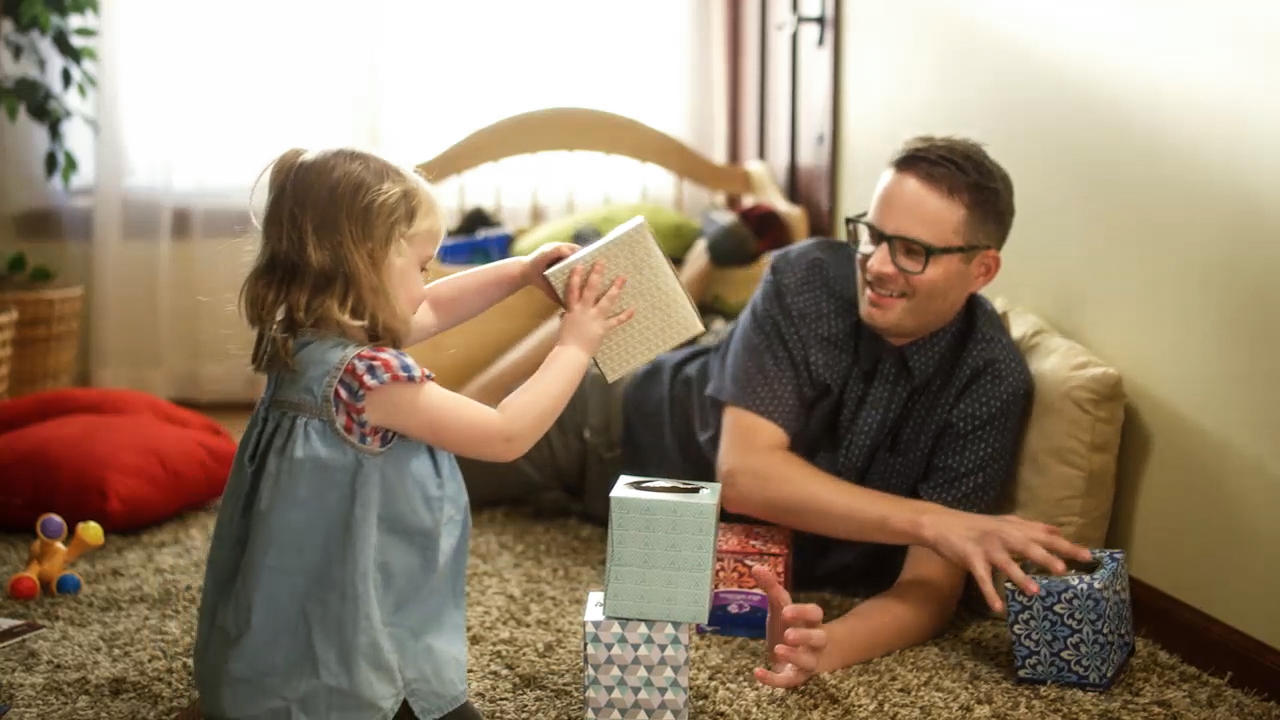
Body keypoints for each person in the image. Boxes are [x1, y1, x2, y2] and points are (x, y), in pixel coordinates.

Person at [453, 135, 1097, 689]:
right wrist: (934, 520)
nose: (876, 266)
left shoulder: (990, 382)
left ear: (982, 269)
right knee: (429, 459)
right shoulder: (807, 279)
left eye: (913, 252)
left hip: (685, 532)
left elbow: (929, 590)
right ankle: (582, 316)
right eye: (872, 235)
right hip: (609, 428)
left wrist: (828, 647)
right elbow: (750, 476)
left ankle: (664, 301)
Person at [192, 147, 633, 720]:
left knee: (295, 647)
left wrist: (522, 273)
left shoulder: (304, 338)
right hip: (358, 607)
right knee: (378, 672)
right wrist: (574, 345)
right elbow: (504, 435)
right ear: (367, 263)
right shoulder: (372, 378)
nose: (428, 285)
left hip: (304, 576)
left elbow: (428, 310)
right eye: (422, 266)